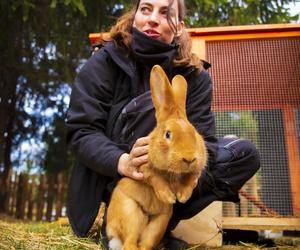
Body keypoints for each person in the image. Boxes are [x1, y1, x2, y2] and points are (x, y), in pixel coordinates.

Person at [66, 0, 260, 249]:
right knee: (156, 112)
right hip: (115, 176)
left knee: (244, 154)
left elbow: (206, 139)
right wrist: (123, 161)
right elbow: (81, 130)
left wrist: (192, 175)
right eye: (146, 9)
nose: (153, 18)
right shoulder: (104, 61)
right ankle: (123, 221)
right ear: (135, 15)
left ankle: (157, 229)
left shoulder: (196, 77)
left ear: (179, 27)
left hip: (175, 175)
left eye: (165, 12)